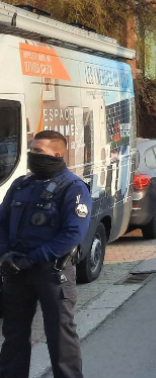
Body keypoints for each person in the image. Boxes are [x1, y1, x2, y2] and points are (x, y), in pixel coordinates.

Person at [0, 130, 91, 378]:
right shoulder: (22, 185)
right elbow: (2, 222)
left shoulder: (72, 187)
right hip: (16, 271)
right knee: (13, 337)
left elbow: (72, 233)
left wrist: (34, 257)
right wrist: (5, 254)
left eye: (38, 151)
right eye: (31, 150)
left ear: (57, 154)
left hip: (52, 273)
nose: (32, 155)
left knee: (61, 339)